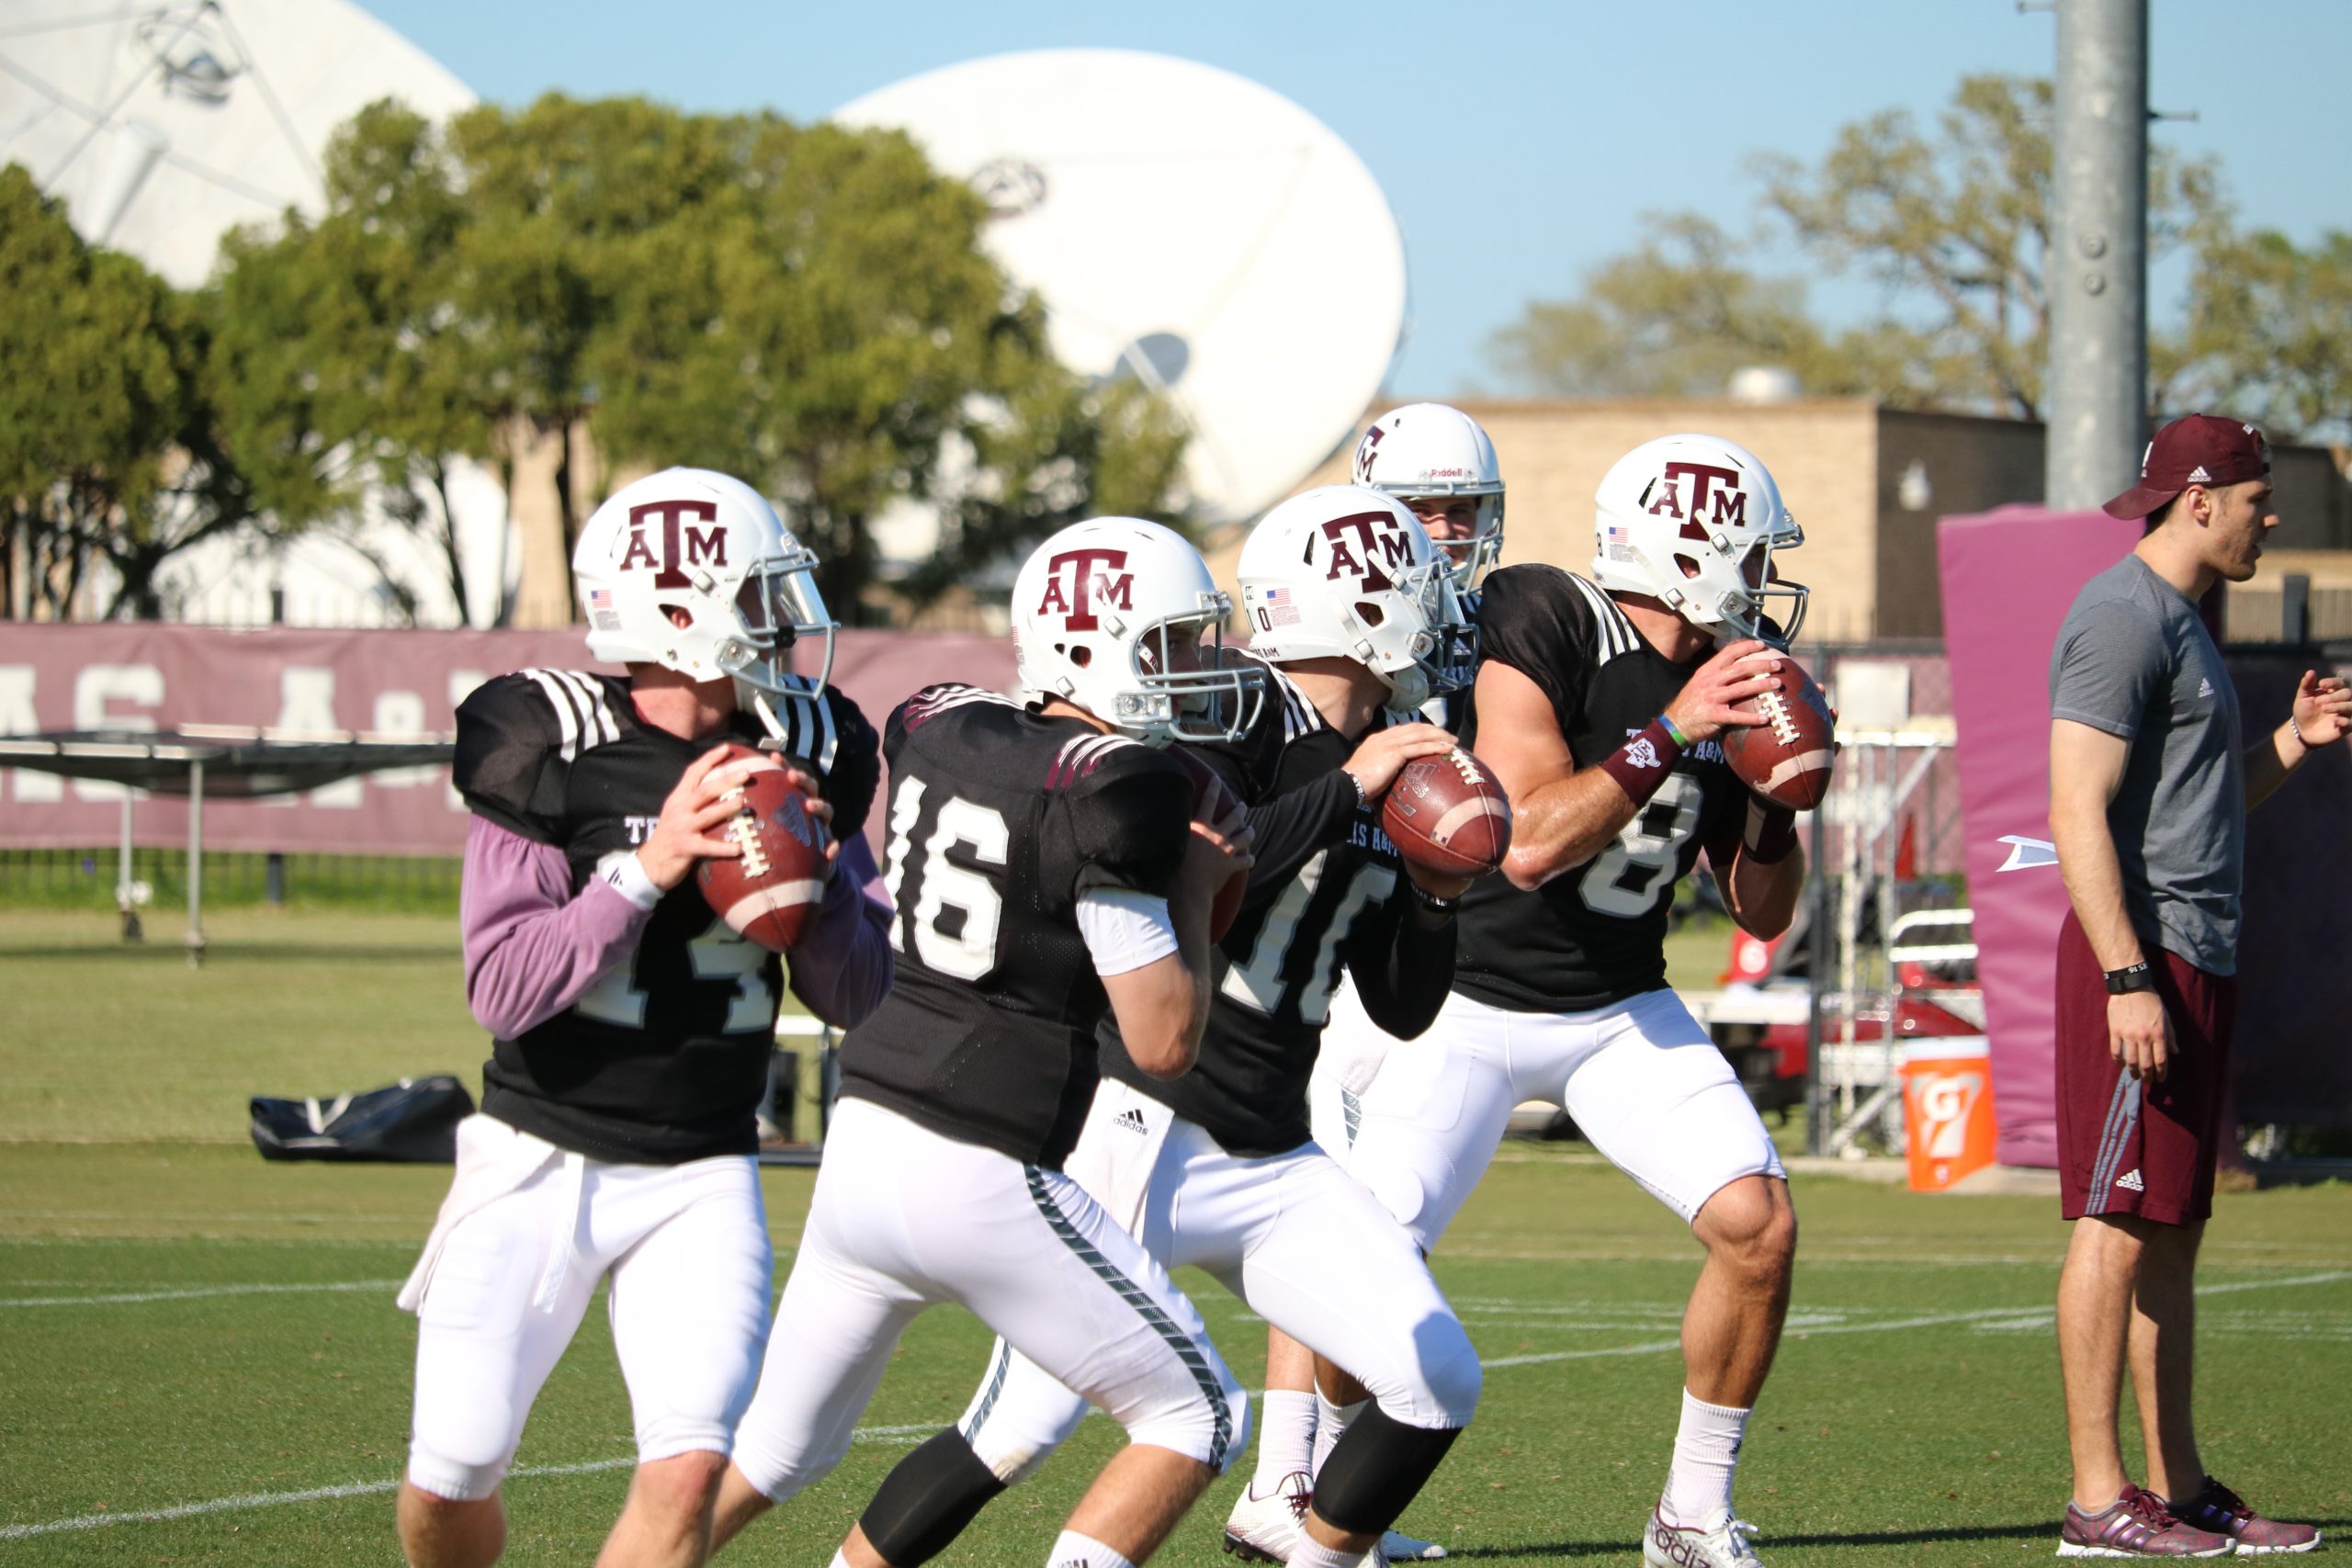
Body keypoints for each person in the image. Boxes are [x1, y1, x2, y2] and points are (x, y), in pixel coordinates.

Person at [830, 485, 1487, 1568]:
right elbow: (1199, 855)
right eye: (1418, 586)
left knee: (1435, 1380)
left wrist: (1437, 892)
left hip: (1273, 1147)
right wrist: (1348, 790)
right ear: (1363, 606)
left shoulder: (1404, 754)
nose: (1442, 610)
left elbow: (1403, 1008)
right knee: (1019, 1426)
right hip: (1138, 1126)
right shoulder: (1225, 713)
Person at [708, 517, 1263, 1568]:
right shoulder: (1121, 791)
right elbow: (1163, 1041)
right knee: (1197, 1417)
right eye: (1173, 643)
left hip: (864, 1139)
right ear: (1102, 645)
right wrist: (1191, 888)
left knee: (772, 1455)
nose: (1196, 668)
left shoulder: (941, 724)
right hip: (982, 1162)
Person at [1324, 434, 1815, 1568]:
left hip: (1614, 1006)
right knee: (1364, 1266)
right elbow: (1526, 844)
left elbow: (1761, 913)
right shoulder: (1547, 615)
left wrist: (1779, 803)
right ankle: (1335, 1505)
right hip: (1465, 998)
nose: (1764, 577)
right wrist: (1675, 729)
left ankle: (1690, 1515)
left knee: (1758, 1226)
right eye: (1750, 552)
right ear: (1691, 550)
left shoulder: (1737, 664)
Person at [395, 467, 895, 1568]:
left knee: (686, 1472)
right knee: (450, 1475)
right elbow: (503, 986)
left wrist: (814, 901)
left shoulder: (808, 743)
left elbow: (859, 995)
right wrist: (653, 862)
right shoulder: (554, 737)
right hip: (536, 1154)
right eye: (757, 595)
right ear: (679, 615)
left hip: (702, 1167)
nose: (783, 621)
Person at [2049, 413, 2343, 1558]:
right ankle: (2092, 1498)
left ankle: (2176, 1486)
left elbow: (2200, 811)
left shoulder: (2180, 621)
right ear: (2202, 496)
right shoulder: (2119, 616)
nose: (2271, 516)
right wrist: (2128, 974)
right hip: (2142, 960)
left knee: (2169, 1228)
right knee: (2114, 1221)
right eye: (2260, 496)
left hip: (2190, 957)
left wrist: (2292, 742)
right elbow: (2075, 811)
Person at [1229, 404, 1506, 1563]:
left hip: (1377, 947)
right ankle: (1285, 1478)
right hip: (1265, 994)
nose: (1441, 535)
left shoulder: (1473, 634)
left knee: (1349, 1222)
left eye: (1461, 511)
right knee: (1339, 1212)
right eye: (1419, 510)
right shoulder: (1276, 694)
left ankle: (1302, 1486)